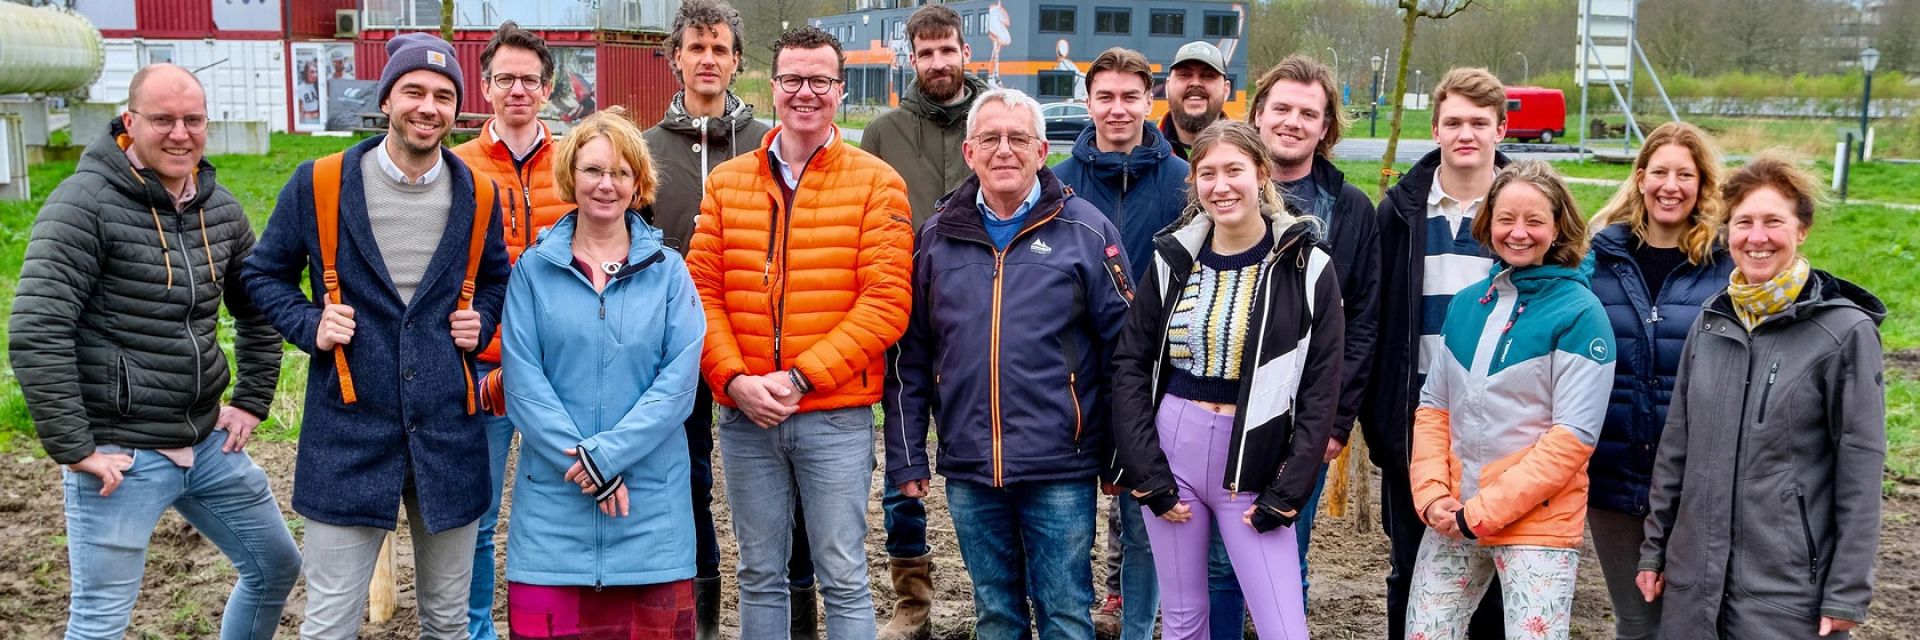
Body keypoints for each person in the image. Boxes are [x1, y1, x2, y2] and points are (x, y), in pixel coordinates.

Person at [8, 63, 298, 640]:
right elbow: (38, 328)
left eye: (193, 120)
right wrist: (75, 448)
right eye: (163, 120)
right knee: (100, 620)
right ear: (130, 121)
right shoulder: (83, 205)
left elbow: (259, 306)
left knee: (275, 566)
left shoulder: (219, 209)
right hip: (122, 455)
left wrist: (252, 400)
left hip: (208, 442)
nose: (180, 134)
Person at [241, 33, 510, 639]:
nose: (428, 107)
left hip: (448, 429)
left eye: (444, 96)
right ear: (386, 99)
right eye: (413, 91)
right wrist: (311, 324)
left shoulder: (480, 194)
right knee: (330, 619)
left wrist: (482, 319)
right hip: (349, 431)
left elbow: (496, 278)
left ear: (457, 109)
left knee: (447, 620)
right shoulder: (321, 185)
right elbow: (262, 275)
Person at [687, 26, 914, 640]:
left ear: (839, 90)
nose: (804, 93)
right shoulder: (728, 183)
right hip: (746, 414)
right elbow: (700, 293)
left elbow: (887, 302)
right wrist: (733, 380)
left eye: (820, 80)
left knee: (841, 573)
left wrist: (799, 376)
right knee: (758, 572)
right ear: (771, 85)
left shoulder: (877, 183)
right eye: (792, 80)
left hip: (833, 414)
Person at [884, 87, 1132, 640]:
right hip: (971, 467)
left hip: (1059, 468)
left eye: (1018, 138)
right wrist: (905, 456)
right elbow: (911, 358)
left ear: (1042, 151)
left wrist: (1120, 455)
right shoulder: (937, 237)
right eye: (990, 138)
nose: (1004, 150)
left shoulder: (1086, 232)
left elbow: (1126, 354)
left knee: (1066, 612)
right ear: (969, 152)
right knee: (995, 614)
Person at [1110, 120, 1345, 640]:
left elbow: (1321, 385)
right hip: (1176, 448)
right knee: (1183, 619)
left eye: (1234, 170)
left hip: (1255, 459)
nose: (1221, 186)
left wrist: (1289, 488)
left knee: (1282, 624)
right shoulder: (1171, 259)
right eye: (1207, 173)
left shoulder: (1308, 266)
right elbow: (1130, 362)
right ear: (1193, 182)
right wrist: (1146, 472)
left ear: (1261, 174)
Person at [1638, 155, 1886, 639]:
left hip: (1787, 591)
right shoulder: (1710, 324)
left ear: (1802, 230)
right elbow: (1676, 451)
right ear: (1727, 232)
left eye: (1774, 221)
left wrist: (1847, 591)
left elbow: (1861, 468)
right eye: (1744, 222)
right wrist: (1655, 549)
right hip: (1695, 582)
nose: (1757, 237)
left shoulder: (1843, 333)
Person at [498, 107, 704, 640]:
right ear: (571, 176)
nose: (606, 185)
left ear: (639, 183)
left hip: (649, 516)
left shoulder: (669, 273)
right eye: (592, 170)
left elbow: (678, 385)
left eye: (620, 173)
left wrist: (607, 457)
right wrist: (586, 461)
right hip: (553, 517)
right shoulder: (532, 271)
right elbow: (523, 383)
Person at [1404, 160, 1612, 640]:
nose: (1519, 233)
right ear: (1488, 223)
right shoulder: (1466, 304)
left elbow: (1572, 438)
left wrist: (1482, 512)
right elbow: (1435, 406)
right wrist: (1433, 494)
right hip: (1454, 511)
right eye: (1506, 219)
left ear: (1558, 227)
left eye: (1535, 221)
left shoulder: (1582, 314)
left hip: (1537, 524)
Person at [638, 2, 786, 638]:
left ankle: (792, 607)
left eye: (719, 48)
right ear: (676, 58)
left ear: (735, 60)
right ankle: (699, 611)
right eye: (695, 47)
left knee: (783, 482)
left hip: (758, 339)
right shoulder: (643, 149)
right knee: (686, 476)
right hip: (670, 345)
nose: (707, 59)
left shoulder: (769, 144)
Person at [1365, 67, 1513, 640]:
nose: (1465, 134)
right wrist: (1384, 429)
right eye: (1453, 122)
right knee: (1413, 570)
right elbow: (1375, 327)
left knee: (1497, 576)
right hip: (1420, 426)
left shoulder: (1523, 216)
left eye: (1479, 122)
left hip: (1504, 432)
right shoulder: (1400, 213)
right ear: (1436, 128)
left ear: (1501, 129)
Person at [1051, 46, 1192, 640]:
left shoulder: (1184, 182)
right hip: (1073, 373)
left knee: (1142, 515)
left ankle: (1138, 627)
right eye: (1104, 97)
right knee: (1067, 518)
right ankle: (1070, 624)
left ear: (1149, 99)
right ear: (1088, 102)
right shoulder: (1056, 181)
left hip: (1158, 376)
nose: (1117, 109)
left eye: (1130, 96)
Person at [1583, 121, 1733, 640]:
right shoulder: (1597, 258)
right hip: (1612, 469)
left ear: (1701, 185)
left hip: (1695, 478)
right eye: (1661, 172)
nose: (1671, 186)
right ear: (1640, 178)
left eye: (1685, 175)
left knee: (1690, 622)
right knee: (1637, 619)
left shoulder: (1727, 266)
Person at [1246, 52, 1382, 610]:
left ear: (1325, 128)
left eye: (1308, 113)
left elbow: (1364, 322)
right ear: (1258, 113)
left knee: (1283, 554)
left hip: (1302, 418)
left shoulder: (1350, 210)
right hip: (1217, 408)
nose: (1292, 122)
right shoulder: (1222, 188)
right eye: (1281, 107)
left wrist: (1335, 422)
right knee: (1213, 564)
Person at [450, 22, 571, 639]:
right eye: (506, 79)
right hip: (484, 366)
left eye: (530, 79)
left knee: (560, 506)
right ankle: (475, 627)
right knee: (478, 511)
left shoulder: (576, 164)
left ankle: (553, 623)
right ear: (486, 85)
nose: (518, 90)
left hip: (561, 371)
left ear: (547, 89)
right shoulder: (456, 166)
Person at [863, 3, 989, 228]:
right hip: (907, 262)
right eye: (926, 54)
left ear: (966, 53)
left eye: (947, 50)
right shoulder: (882, 134)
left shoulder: (998, 126)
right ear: (913, 61)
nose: (938, 64)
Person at [1158, 41, 1231, 161]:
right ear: (1167, 87)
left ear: (1226, 90)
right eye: (1184, 75)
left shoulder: (1248, 155)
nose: (1195, 83)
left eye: (1208, 75)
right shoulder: (1143, 149)